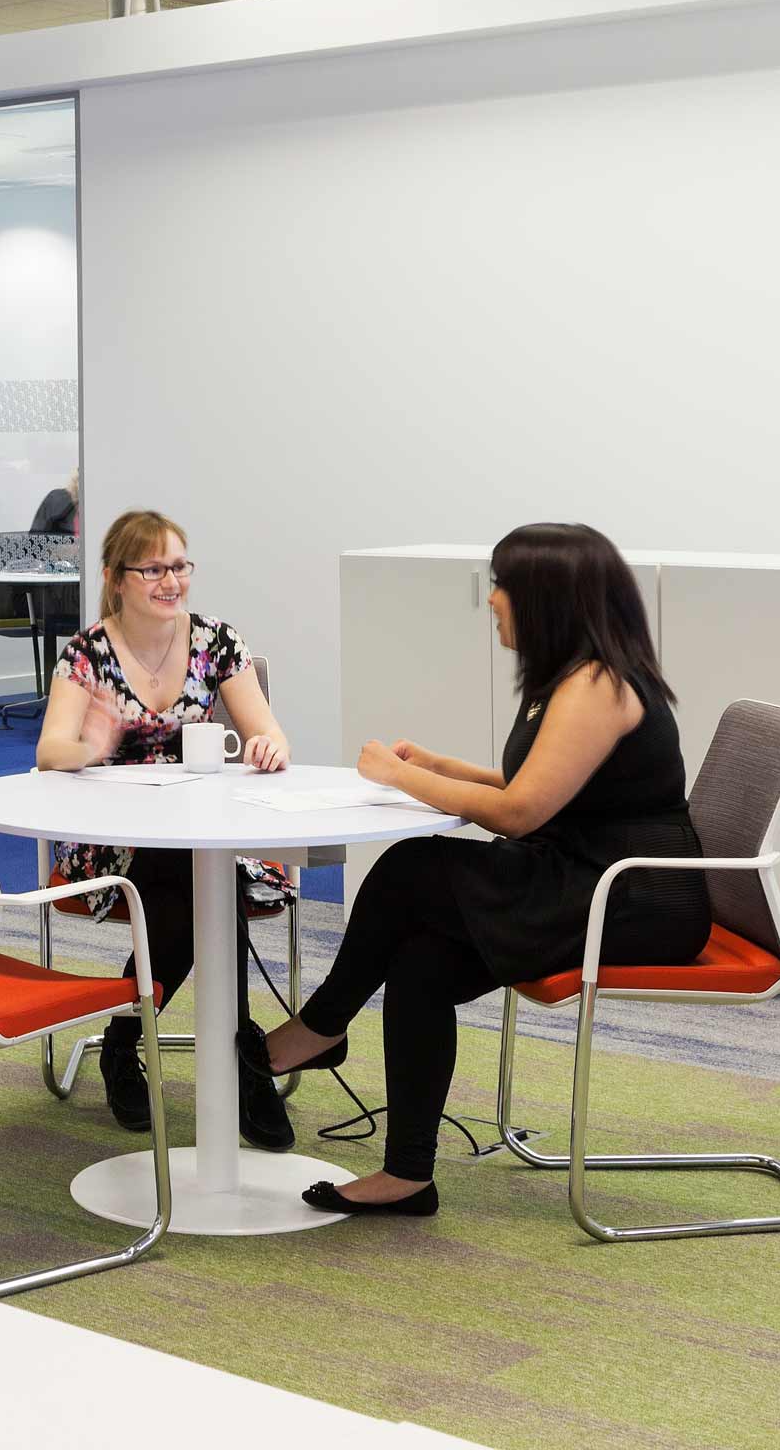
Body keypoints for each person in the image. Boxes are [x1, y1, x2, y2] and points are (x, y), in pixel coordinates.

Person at [261, 521, 710, 1217]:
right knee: (420, 960)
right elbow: (533, 784)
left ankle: (320, 1026)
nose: (492, 600)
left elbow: (521, 811)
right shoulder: (572, 675)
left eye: (501, 585)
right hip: (583, 876)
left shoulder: (598, 683)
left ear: (545, 596)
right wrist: (441, 768)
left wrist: (400, 779)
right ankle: (407, 1173)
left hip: (630, 899)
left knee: (411, 867)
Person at [35, 509, 296, 1149]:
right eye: (153, 569)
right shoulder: (87, 652)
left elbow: (269, 730)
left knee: (199, 876)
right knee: (198, 885)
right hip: (110, 841)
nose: (170, 580)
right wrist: (94, 745)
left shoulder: (217, 642)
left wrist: (267, 748)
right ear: (115, 578)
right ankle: (243, 1056)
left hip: (198, 831)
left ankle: (126, 1042)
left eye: (179, 566)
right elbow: (50, 751)